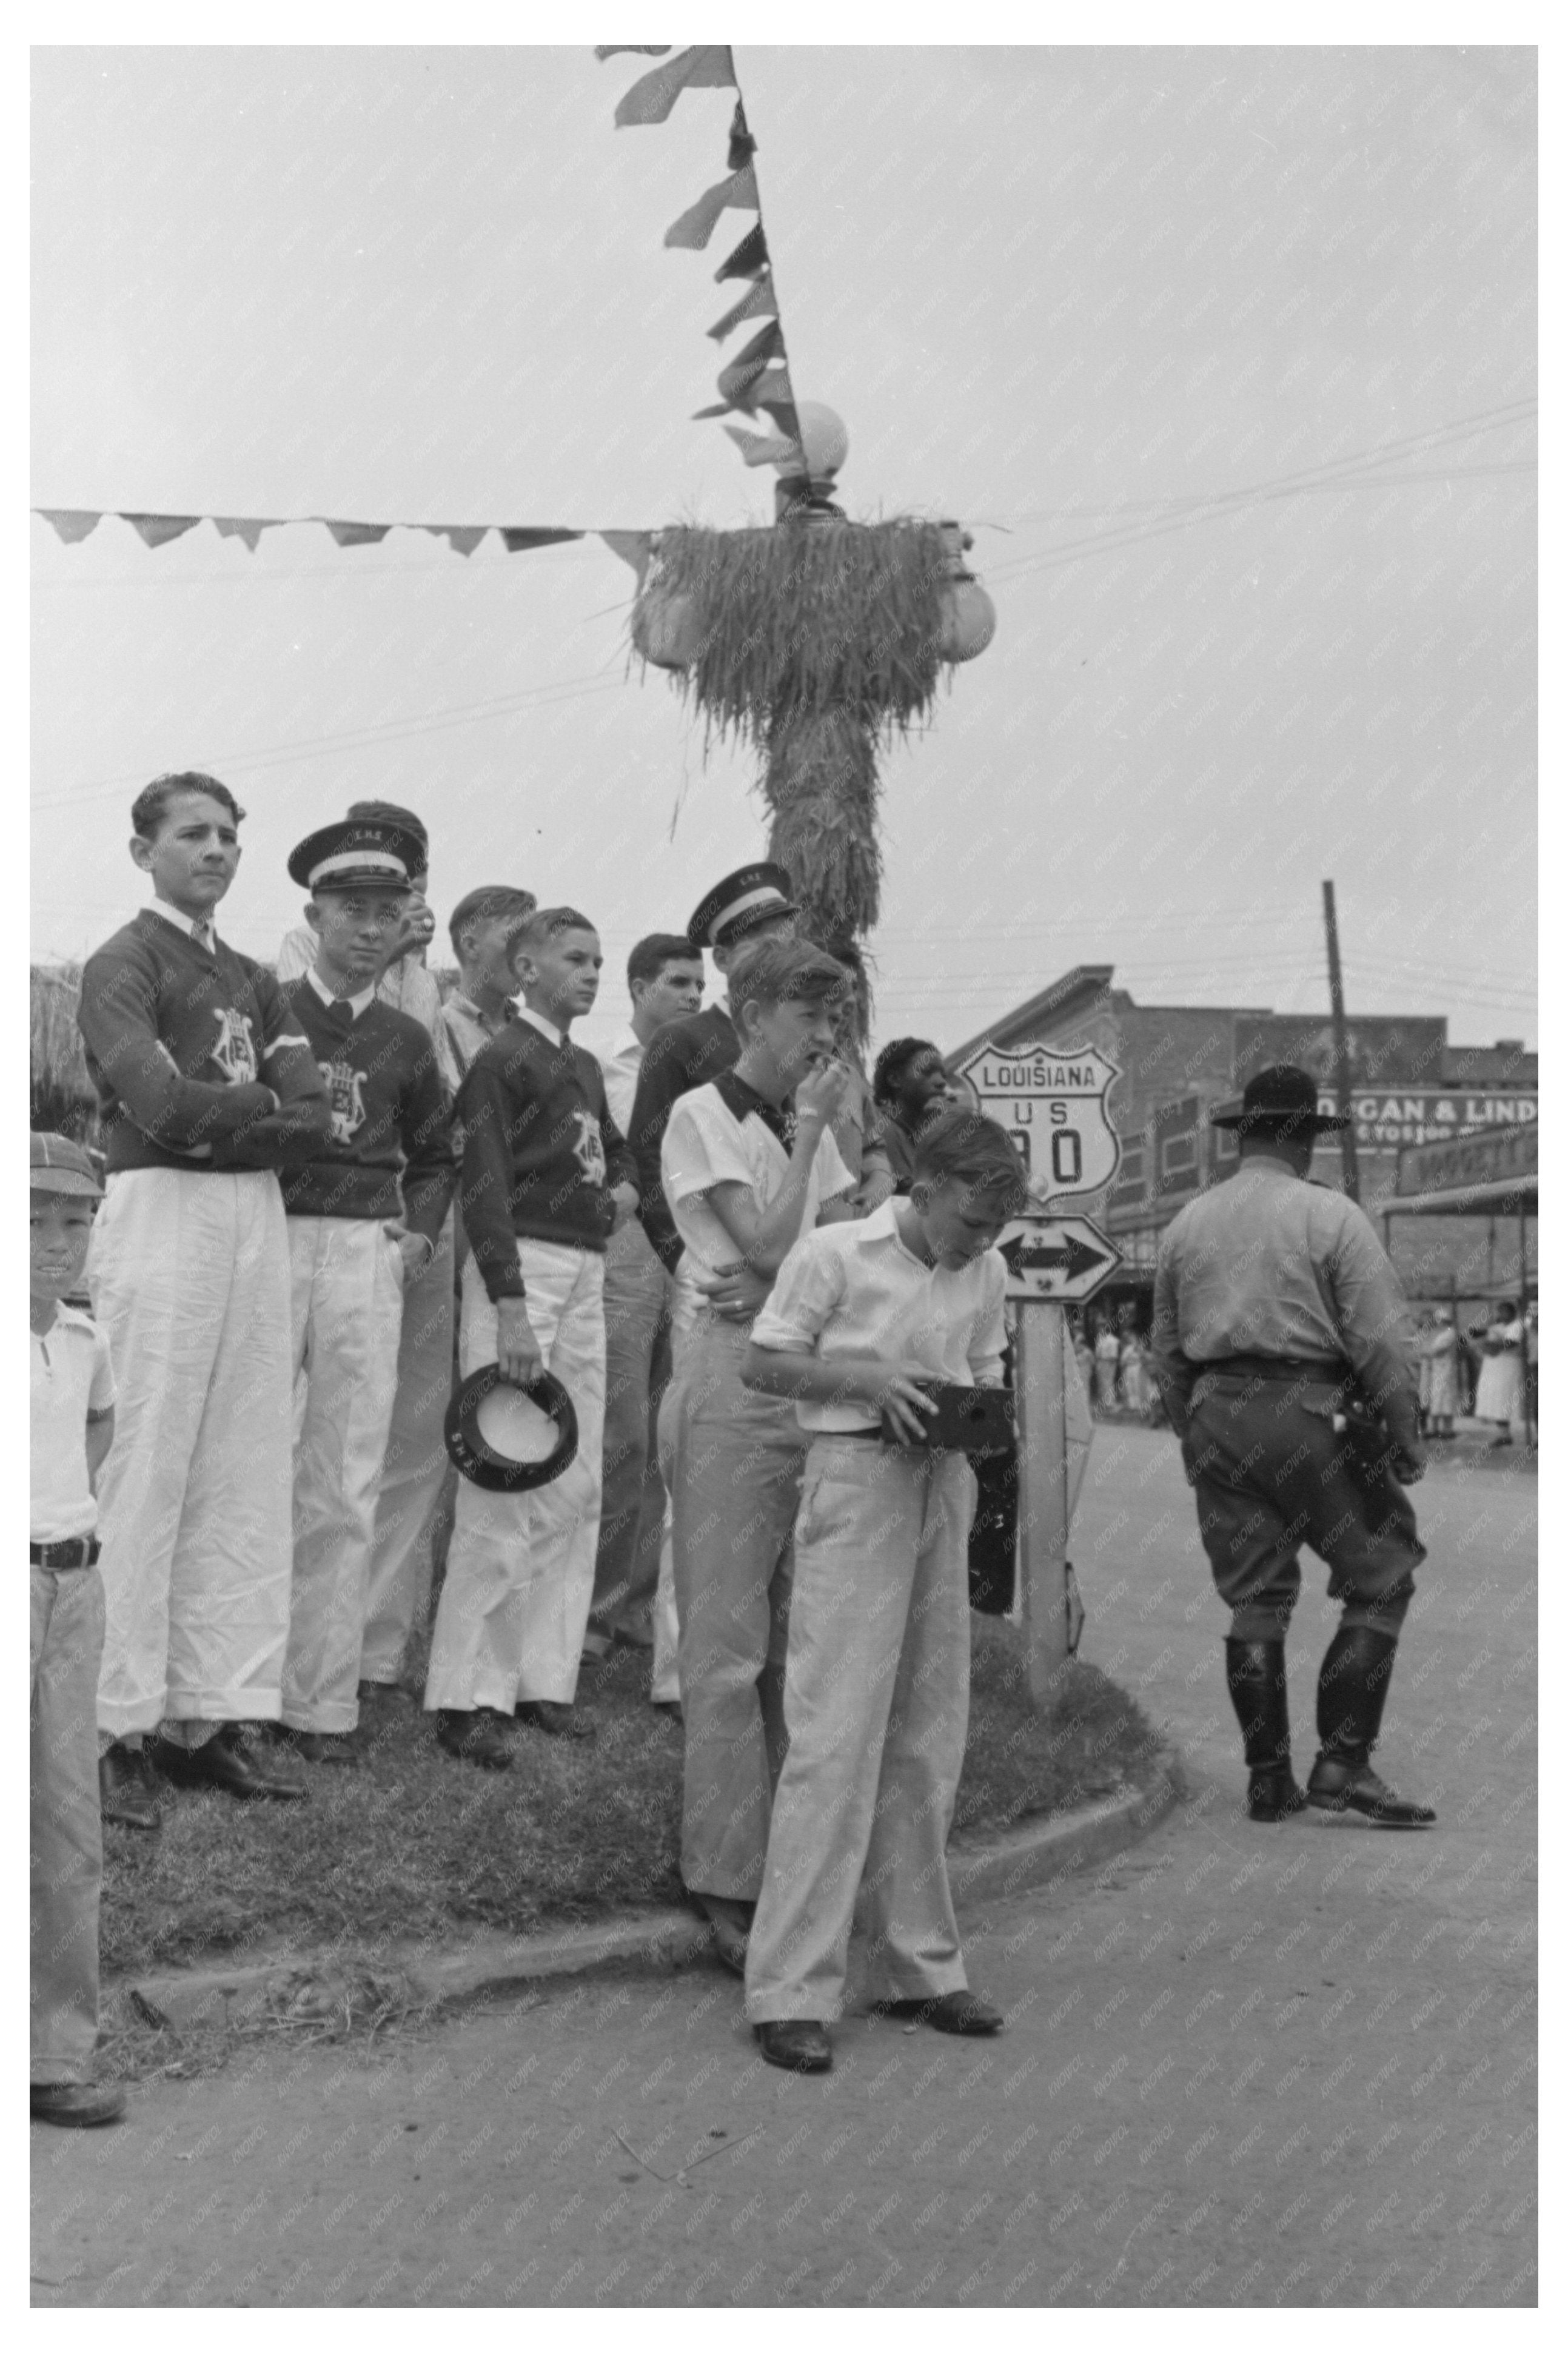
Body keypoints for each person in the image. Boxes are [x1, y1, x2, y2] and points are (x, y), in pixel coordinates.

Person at [738, 1107, 1025, 2072]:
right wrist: (866, 1381)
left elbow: (983, 1367)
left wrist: (972, 1413)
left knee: (927, 1732)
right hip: (856, 1479)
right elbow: (762, 1360)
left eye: (992, 1233)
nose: (979, 1246)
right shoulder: (833, 1252)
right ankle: (790, 1987)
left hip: (942, 1480)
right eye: (968, 1223)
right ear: (925, 1187)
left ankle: (921, 1966)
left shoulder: (981, 1270)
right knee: (833, 1734)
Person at [78, 772, 331, 1827]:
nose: (217, 851)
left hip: (249, 1212)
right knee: (148, 1456)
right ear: (145, 851)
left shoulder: (253, 974)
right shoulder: (122, 961)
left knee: (241, 1457)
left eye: (230, 835)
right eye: (194, 835)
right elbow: (157, 1103)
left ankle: (217, 1714)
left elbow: (317, 1117)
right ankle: (114, 1723)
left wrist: (238, 1114)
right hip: (161, 1208)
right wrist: (254, 1106)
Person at [1151, 1064, 1435, 1829]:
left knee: (1255, 1598)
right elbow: (1380, 1339)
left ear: (1243, 1134)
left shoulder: (1187, 1223)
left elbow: (1168, 1350)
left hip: (1218, 1411)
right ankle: (1343, 1759)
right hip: (1312, 1411)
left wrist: (1195, 1430)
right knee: (1381, 1574)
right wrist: (1404, 1434)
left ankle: (1269, 1778)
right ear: (1306, 1137)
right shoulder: (1332, 1216)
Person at [658, 937, 856, 1972]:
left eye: (831, 1019)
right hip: (733, 1381)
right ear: (756, 1015)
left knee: (796, 1644)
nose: (824, 1039)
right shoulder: (706, 1113)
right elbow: (778, 1248)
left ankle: (793, 1866)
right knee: (727, 1648)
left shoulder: (801, 1122)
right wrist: (815, 1147)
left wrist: (793, 1256)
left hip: (803, 1373)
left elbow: (837, 1245)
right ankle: (723, 1878)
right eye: (809, 1018)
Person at [423, 907, 637, 1762]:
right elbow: (481, 1184)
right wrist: (508, 1302)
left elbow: (620, 1159)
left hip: (585, 1263)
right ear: (525, 968)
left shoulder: (583, 1065)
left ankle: (541, 1678)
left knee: (574, 1480)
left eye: (596, 959)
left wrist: (618, 1197)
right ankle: (466, 1696)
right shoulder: (499, 1061)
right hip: (525, 1264)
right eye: (573, 959)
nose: (589, 973)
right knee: (507, 1467)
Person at [275, 822, 458, 1762]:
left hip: (362, 1248)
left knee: (345, 1477)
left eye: (387, 914)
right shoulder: (266, 1011)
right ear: (314, 915)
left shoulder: (406, 1035)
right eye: (351, 911)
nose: (368, 929)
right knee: (252, 1465)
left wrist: (419, 1235)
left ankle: (319, 1701)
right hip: (270, 1241)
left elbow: (436, 1154)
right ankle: (231, 1689)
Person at [30, 1135, 126, 2127]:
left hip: (74, 1586)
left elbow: (100, 1423)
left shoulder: (83, 1338)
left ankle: (55, 2053)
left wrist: (72, 1504)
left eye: (76, 1220)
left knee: (67, 1826)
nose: (59, 1241)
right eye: (36, 1219)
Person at [587, 933, 704, 1660]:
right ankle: (592, 1611)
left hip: (694, 1250)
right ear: (636, 987)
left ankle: (637, 1603)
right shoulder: (607, 1069)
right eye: (677, 983)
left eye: (699, 984)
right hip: (629, 1252)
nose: (693, 997)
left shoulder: (712, 1076)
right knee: (620, 1432)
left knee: (672, 1433)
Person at [437, 885, 538, 1084]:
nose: (526, 955)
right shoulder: (435, 1032)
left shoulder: (537, 1034)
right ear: (471, 947)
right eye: (514, 939)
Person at [870, 1036, 958, 1193]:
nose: (941, 1082)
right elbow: (911, 1199)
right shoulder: (884, 1132)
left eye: (943, 1075)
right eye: (927, 1072)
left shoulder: (924, 1133)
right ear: (895, 1079)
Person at [1474, 1303, 1526, 1447]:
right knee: (1496, 1400)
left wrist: (1491, 1345)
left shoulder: (1517, 1325)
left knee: (1505, 1399)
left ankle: (1507, 1434)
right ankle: (1504, 1434)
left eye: (1505, 1311)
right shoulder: (1496, 1327)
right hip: (1493, 1367)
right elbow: (1483, 1338)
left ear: (1512, 1313)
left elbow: (1510, 1343)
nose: (1502, 1314)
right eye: (1500, 1312)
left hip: (1507, 1366)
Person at [1424, 1306, 1460, 1440]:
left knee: (1446, 1398)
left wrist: (1427, 1352)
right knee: (1436, 1398)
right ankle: (1434, 1428)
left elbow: (1437, 1351)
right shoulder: (1438, 1333)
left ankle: (1448, 1429)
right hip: (1437, 1369)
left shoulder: (1450, 1333)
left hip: (1446, 1369)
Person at [1093, 1320, 1121, 1412]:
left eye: (1102, 1327)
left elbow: (1114, 1356)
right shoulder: (1100, 1339)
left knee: (1108, 1382)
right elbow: (1097, 1353)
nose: (1100, 1330)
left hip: (1109, 1362)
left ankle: (1111, 1404)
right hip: (1100, 1362)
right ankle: (1104, 1403)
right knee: (1102, 1383)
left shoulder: (1112, 1340)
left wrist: (1109, 1365)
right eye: (1099, 1328)